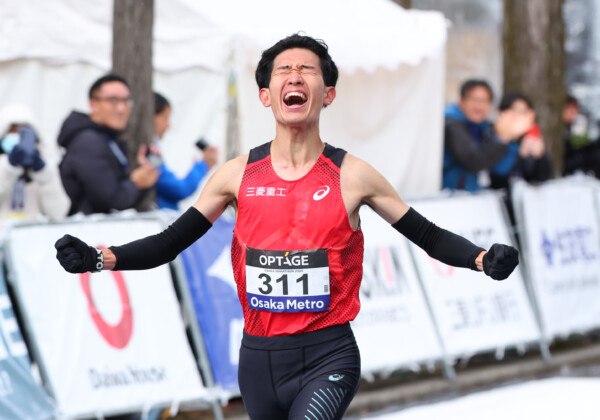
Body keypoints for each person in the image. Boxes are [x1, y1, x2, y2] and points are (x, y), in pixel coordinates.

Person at [55, 34, 519, 420]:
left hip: (327, 354)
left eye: (308, 69)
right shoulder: (236, 174)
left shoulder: (353, 174)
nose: (295, 75)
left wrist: (481, 259)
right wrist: (100, 257)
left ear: (328, 93)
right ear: (266, 95)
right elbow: (169, 242)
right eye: (283, 70)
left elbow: (429, 235)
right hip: (257, 360)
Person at [57, 74, 160, 216]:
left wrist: (145, 174)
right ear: (93, 104)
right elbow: (110, 201)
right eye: (113, 100)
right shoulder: (88, 142)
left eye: (126, 101)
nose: (122, 108)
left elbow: (120, 198)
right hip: (88, 233)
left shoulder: (106, 139)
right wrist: (136, 182)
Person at [443, 79, 532, 191]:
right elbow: (474, 162)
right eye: (475, 99)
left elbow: (499, 170)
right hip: (448, 197)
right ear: (462, 100)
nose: (479, 106)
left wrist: (513, 139)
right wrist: (502, 138)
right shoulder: (451, 125)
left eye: (485, 101)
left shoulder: (483, 127)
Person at [0, 104, 69, 233]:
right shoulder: (3, 165)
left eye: (24, 131)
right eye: (13, 130)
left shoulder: (45, 167)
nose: (18, 136)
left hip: (32, 242)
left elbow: (58, 212)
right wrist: (9, 168)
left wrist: (44, 174)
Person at [151, 92, 219, 210]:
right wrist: (203, 165)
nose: (168, 125)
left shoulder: (151, 148)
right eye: (165, 118)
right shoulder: (149, 151)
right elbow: (180, 189)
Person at [489, 92, 552, 190]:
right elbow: (495, 179)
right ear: (501, 113)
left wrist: (540, 157)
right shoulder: (490, 136)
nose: (519, 117)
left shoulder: (529, 138)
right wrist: (518, 155)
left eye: (524, 112)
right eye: (514, 111)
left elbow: (542, 179)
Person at [562, 94, 600, 178]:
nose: (573, 112)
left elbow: (583, 143)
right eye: (569, 108)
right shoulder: (562, 129)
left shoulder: (580, 122)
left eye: (575, 108)